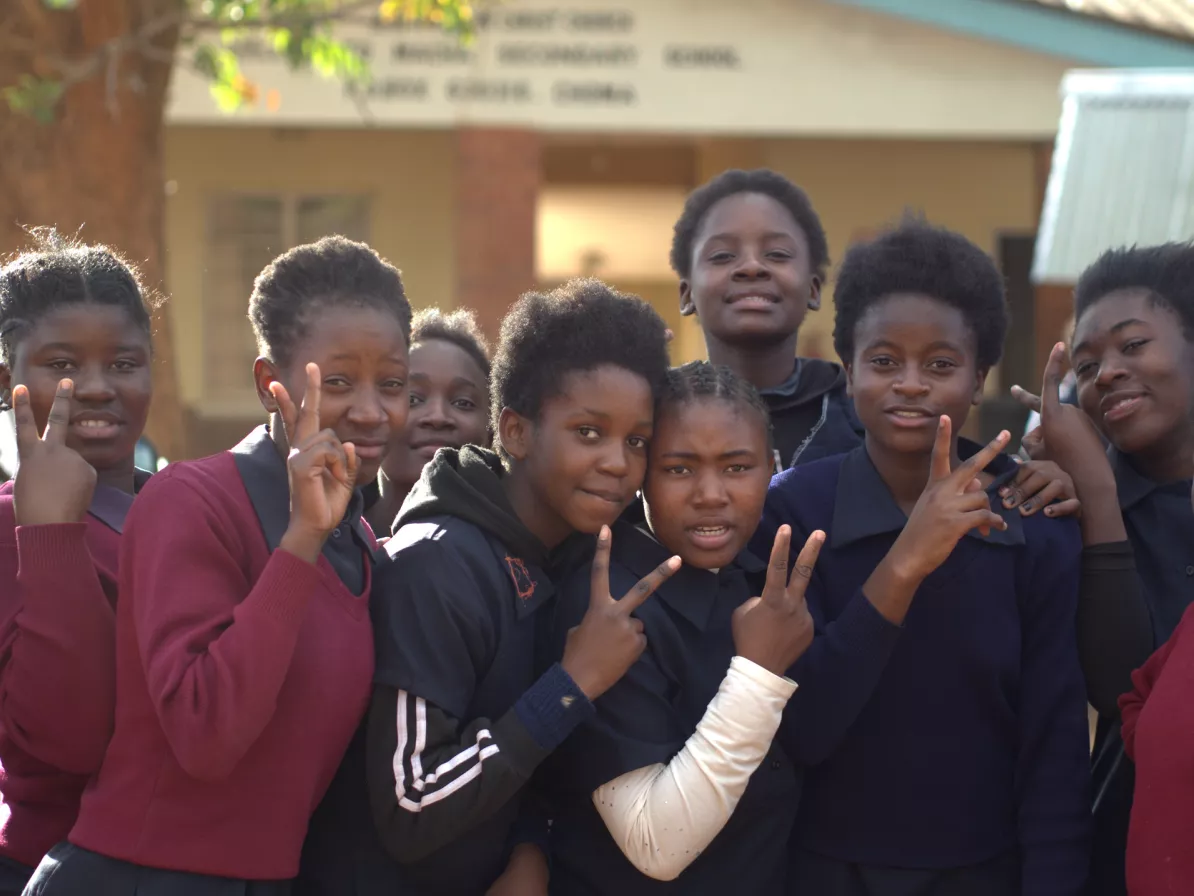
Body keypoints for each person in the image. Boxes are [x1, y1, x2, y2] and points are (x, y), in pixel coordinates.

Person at [23, 236, 412, 895]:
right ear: (270, 383)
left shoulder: (363, 547)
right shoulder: (193, 502)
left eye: (394, 384)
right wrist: (300, 544)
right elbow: (206, 733)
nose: (373, 411)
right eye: (340, 382)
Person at [756, 219, 1091, 895]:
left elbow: (1053, 751)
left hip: (986, 874)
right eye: (884, 362)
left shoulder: (1034, 522)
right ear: (847, 373)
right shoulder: (792, 513)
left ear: (979, 379)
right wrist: (907, 561)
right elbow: (801, 730)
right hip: (824, 873)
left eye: (940, 365)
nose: (910, 383)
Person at [366, 279, 676, 896]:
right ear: (513, 432)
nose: (618, 462)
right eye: (589, 432)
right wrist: (571, 685)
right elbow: (411, 805)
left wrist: (528, 845)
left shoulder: (567, 557)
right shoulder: (436, 565)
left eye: (636, 441)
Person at [543, 361, 823, 895]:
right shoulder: (609, 604)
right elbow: (656, 843)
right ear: (642, 473)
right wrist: (758, 673)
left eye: (737, 468)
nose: (710, 494)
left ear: (773, 467)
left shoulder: (762, 580)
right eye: (679, 468)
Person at [1017, 243, 1194, 896]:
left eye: (1133, 345)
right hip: (1133, 857)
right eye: (1086, 366)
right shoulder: (1067, 503)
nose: (1108, 373)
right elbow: (1121, 690)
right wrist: (1095, 487)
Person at [0, 232, 155, 895]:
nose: (93, 389)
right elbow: (70, 744)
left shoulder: (197, 512)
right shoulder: (6, 524)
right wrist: (52, 533)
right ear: (9, 378)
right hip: (47, 870)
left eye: (124, 363)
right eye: (61, 363)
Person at [671, 168, 860, 469]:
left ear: (813, 289)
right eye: (722, 255)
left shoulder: (860, 415)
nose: (751, 266)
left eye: (777, 253)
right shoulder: (655, 414)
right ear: (687, 294)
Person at [364, 307, 491, 535]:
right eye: (412, 399)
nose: (437, 417)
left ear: (493, 429)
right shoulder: (328, 533)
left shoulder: (510, 556)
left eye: (463, 403)